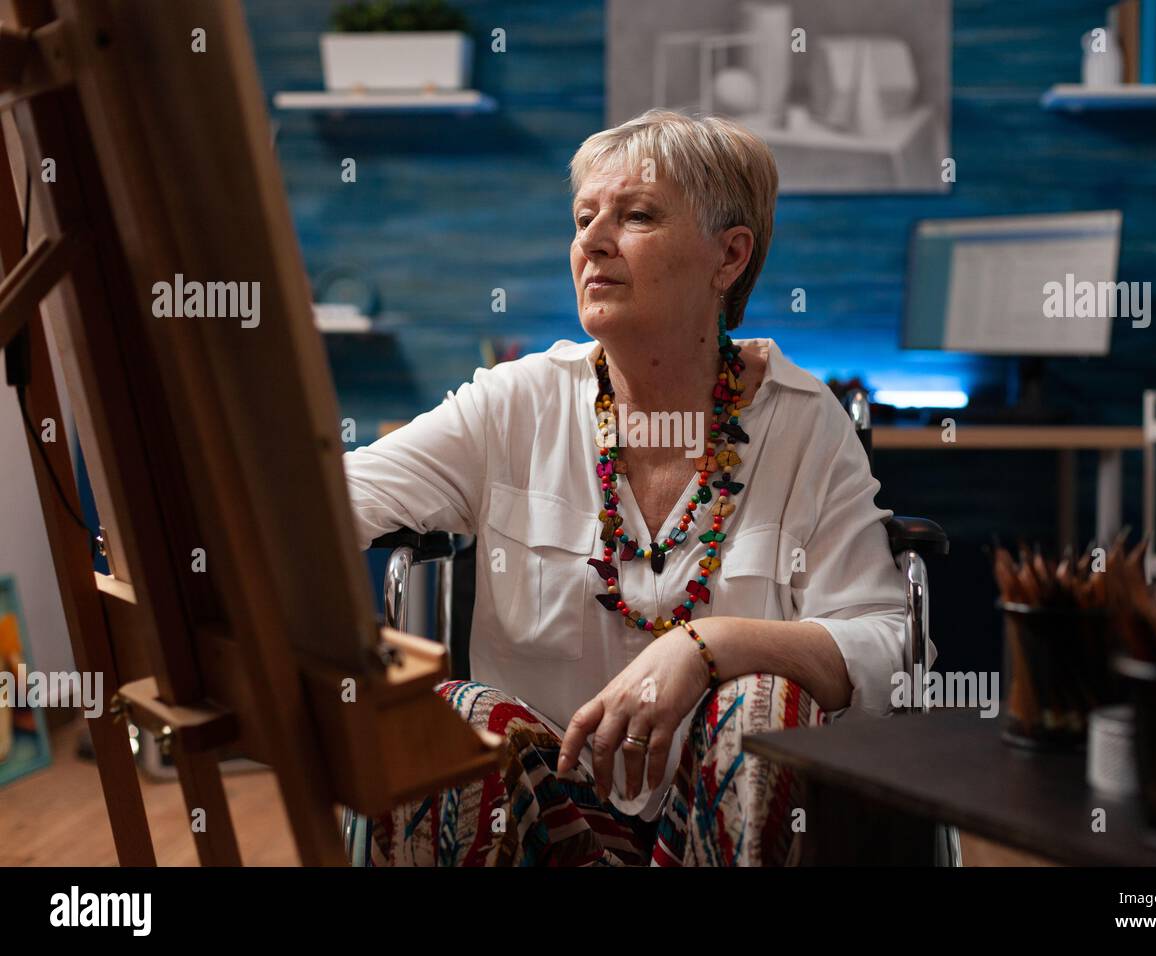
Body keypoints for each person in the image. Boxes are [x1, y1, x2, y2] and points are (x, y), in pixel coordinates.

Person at [343, 109, 914, 866]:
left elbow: (885, 642)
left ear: (729, 256)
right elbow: (324, 503)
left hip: (722, 816)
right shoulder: (515, 404)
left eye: (636, 215)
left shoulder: (804, 425)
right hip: (546, 814)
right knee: (445, 717)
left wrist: (707, 647)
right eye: (584, 218)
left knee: (763, 706)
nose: (592, 240)